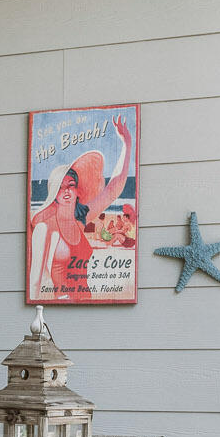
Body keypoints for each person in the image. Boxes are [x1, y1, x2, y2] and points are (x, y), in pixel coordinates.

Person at [28, 114, 133, 302]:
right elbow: (35, 282)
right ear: (54, 193)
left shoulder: (79, 219)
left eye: (70, 185)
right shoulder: (45, 227)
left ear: (77, 190)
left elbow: (112, 190)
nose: (66, 191)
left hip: (86, 303)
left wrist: (127, 145)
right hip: (62, 307)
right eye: (60, 187)